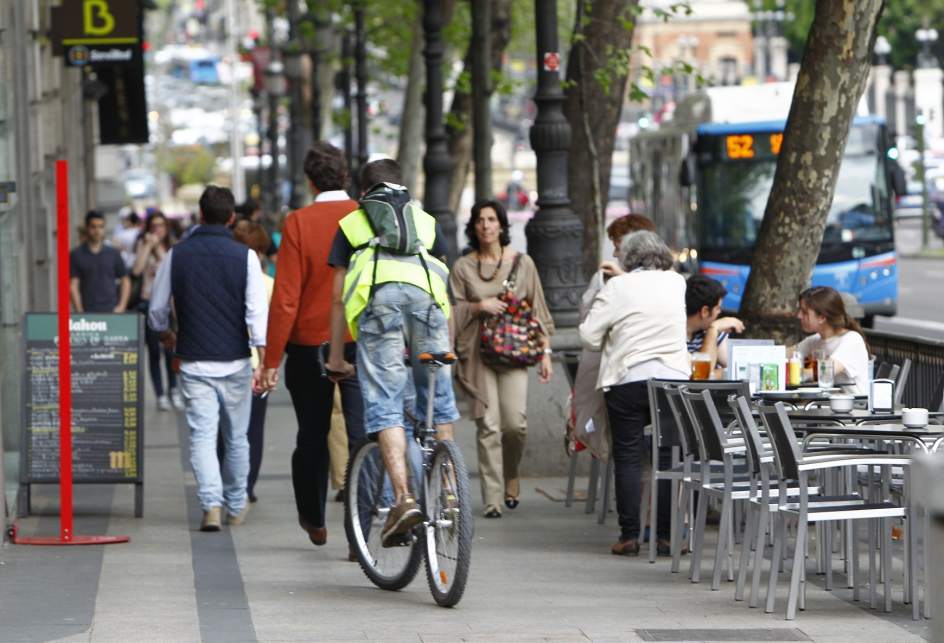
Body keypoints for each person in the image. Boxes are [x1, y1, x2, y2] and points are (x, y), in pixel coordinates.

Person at [325, 158, 458, 547]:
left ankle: (403, 499)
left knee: (386, 406)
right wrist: (447, 346)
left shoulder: (352, 223)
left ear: (363, 192)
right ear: (403, 185)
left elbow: (337, 297)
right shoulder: (425, 221)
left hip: (380, 305)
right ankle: (452, 492)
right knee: (438, 402)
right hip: (429, 308)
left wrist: (336, 357)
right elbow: (443, 284)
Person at [260, 142, 366, 547]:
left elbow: (286, 297)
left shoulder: (298, 222)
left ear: (309, 181)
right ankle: (361, 532)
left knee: (312, 435)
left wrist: (271, 360)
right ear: (345, 175)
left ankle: (314, 518)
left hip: (309, 344)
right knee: (363, 435)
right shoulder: (364, 216)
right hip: (358, 338)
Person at [148, 186, 268, 532]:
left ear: (201, 215)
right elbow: (257, 315)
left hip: (194, 361)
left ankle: (211, 506)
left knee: (202, 436)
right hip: (236, 360)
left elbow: (156, 309)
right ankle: (236, 504)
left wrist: (166, 334)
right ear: (231, 218)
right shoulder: (246, 257)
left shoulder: (177, 254)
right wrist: (263, 361)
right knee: (237, 437)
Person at [579, 231, 690, 556]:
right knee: (668, 457)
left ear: (628, 257)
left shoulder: (618, 286)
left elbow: (588, 336)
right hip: (672, 378)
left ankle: (629, 535)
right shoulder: (677, 282)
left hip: (627, 378)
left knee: (627, 456)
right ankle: (666, 537)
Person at [450, 199, 554, 518]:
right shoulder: (463, 267)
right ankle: (493, 499)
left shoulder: (523, 263)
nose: (486, 225)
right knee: (489, 425)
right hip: (477, 354)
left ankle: (511, 474)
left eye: (492, 219)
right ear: (473, 226)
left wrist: (546, 353)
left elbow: (538, 310)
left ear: (502, 225)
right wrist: (478, 307)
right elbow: (451, 311)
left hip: (515, 351)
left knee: (514, 425)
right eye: (480, 220)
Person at [226, 222, 273, 504]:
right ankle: (247, 485)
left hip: (228, 361)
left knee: (226, 428)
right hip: (258, 364)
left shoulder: (225, 279)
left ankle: (228, 482)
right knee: (254, 429)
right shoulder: (269, 284)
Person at [131, 211, 183, 412]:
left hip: (169, 305)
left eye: (161, 225)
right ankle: (160, 394)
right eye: (153, 226)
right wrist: (148, 246)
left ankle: (173, 390)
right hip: (148, 303)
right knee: (154, 351)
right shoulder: (142, 244)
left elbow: (171, 268)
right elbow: (136, 270)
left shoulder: (172, 247)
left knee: (171, 350)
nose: (157, 230)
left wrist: (158, 248)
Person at [791, 286, 869, 394]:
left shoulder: (852, 340)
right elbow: (786, 354)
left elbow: (824, 371)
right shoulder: (815, 340)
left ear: (822, 318)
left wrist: (791, 371)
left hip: (854, 403)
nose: (799, 316)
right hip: (824, 401)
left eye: (804, 312)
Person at [70, 210, 131, 313]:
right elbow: (73, 285)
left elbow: (125, 280)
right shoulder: (76, 254)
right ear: (87, 227)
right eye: (93, 227)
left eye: (101, 226)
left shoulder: (113, 253)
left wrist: (121, 306)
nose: (97, 231)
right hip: (88, 312)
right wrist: (79, 311)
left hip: (112, 311)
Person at [684, 274, 745, 372]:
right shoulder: (674, 337)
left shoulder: (709, 331)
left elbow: (737, 367)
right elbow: (702, 373)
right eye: (718, 308)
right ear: (705, 311)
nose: (720, 312)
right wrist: (714, 328)